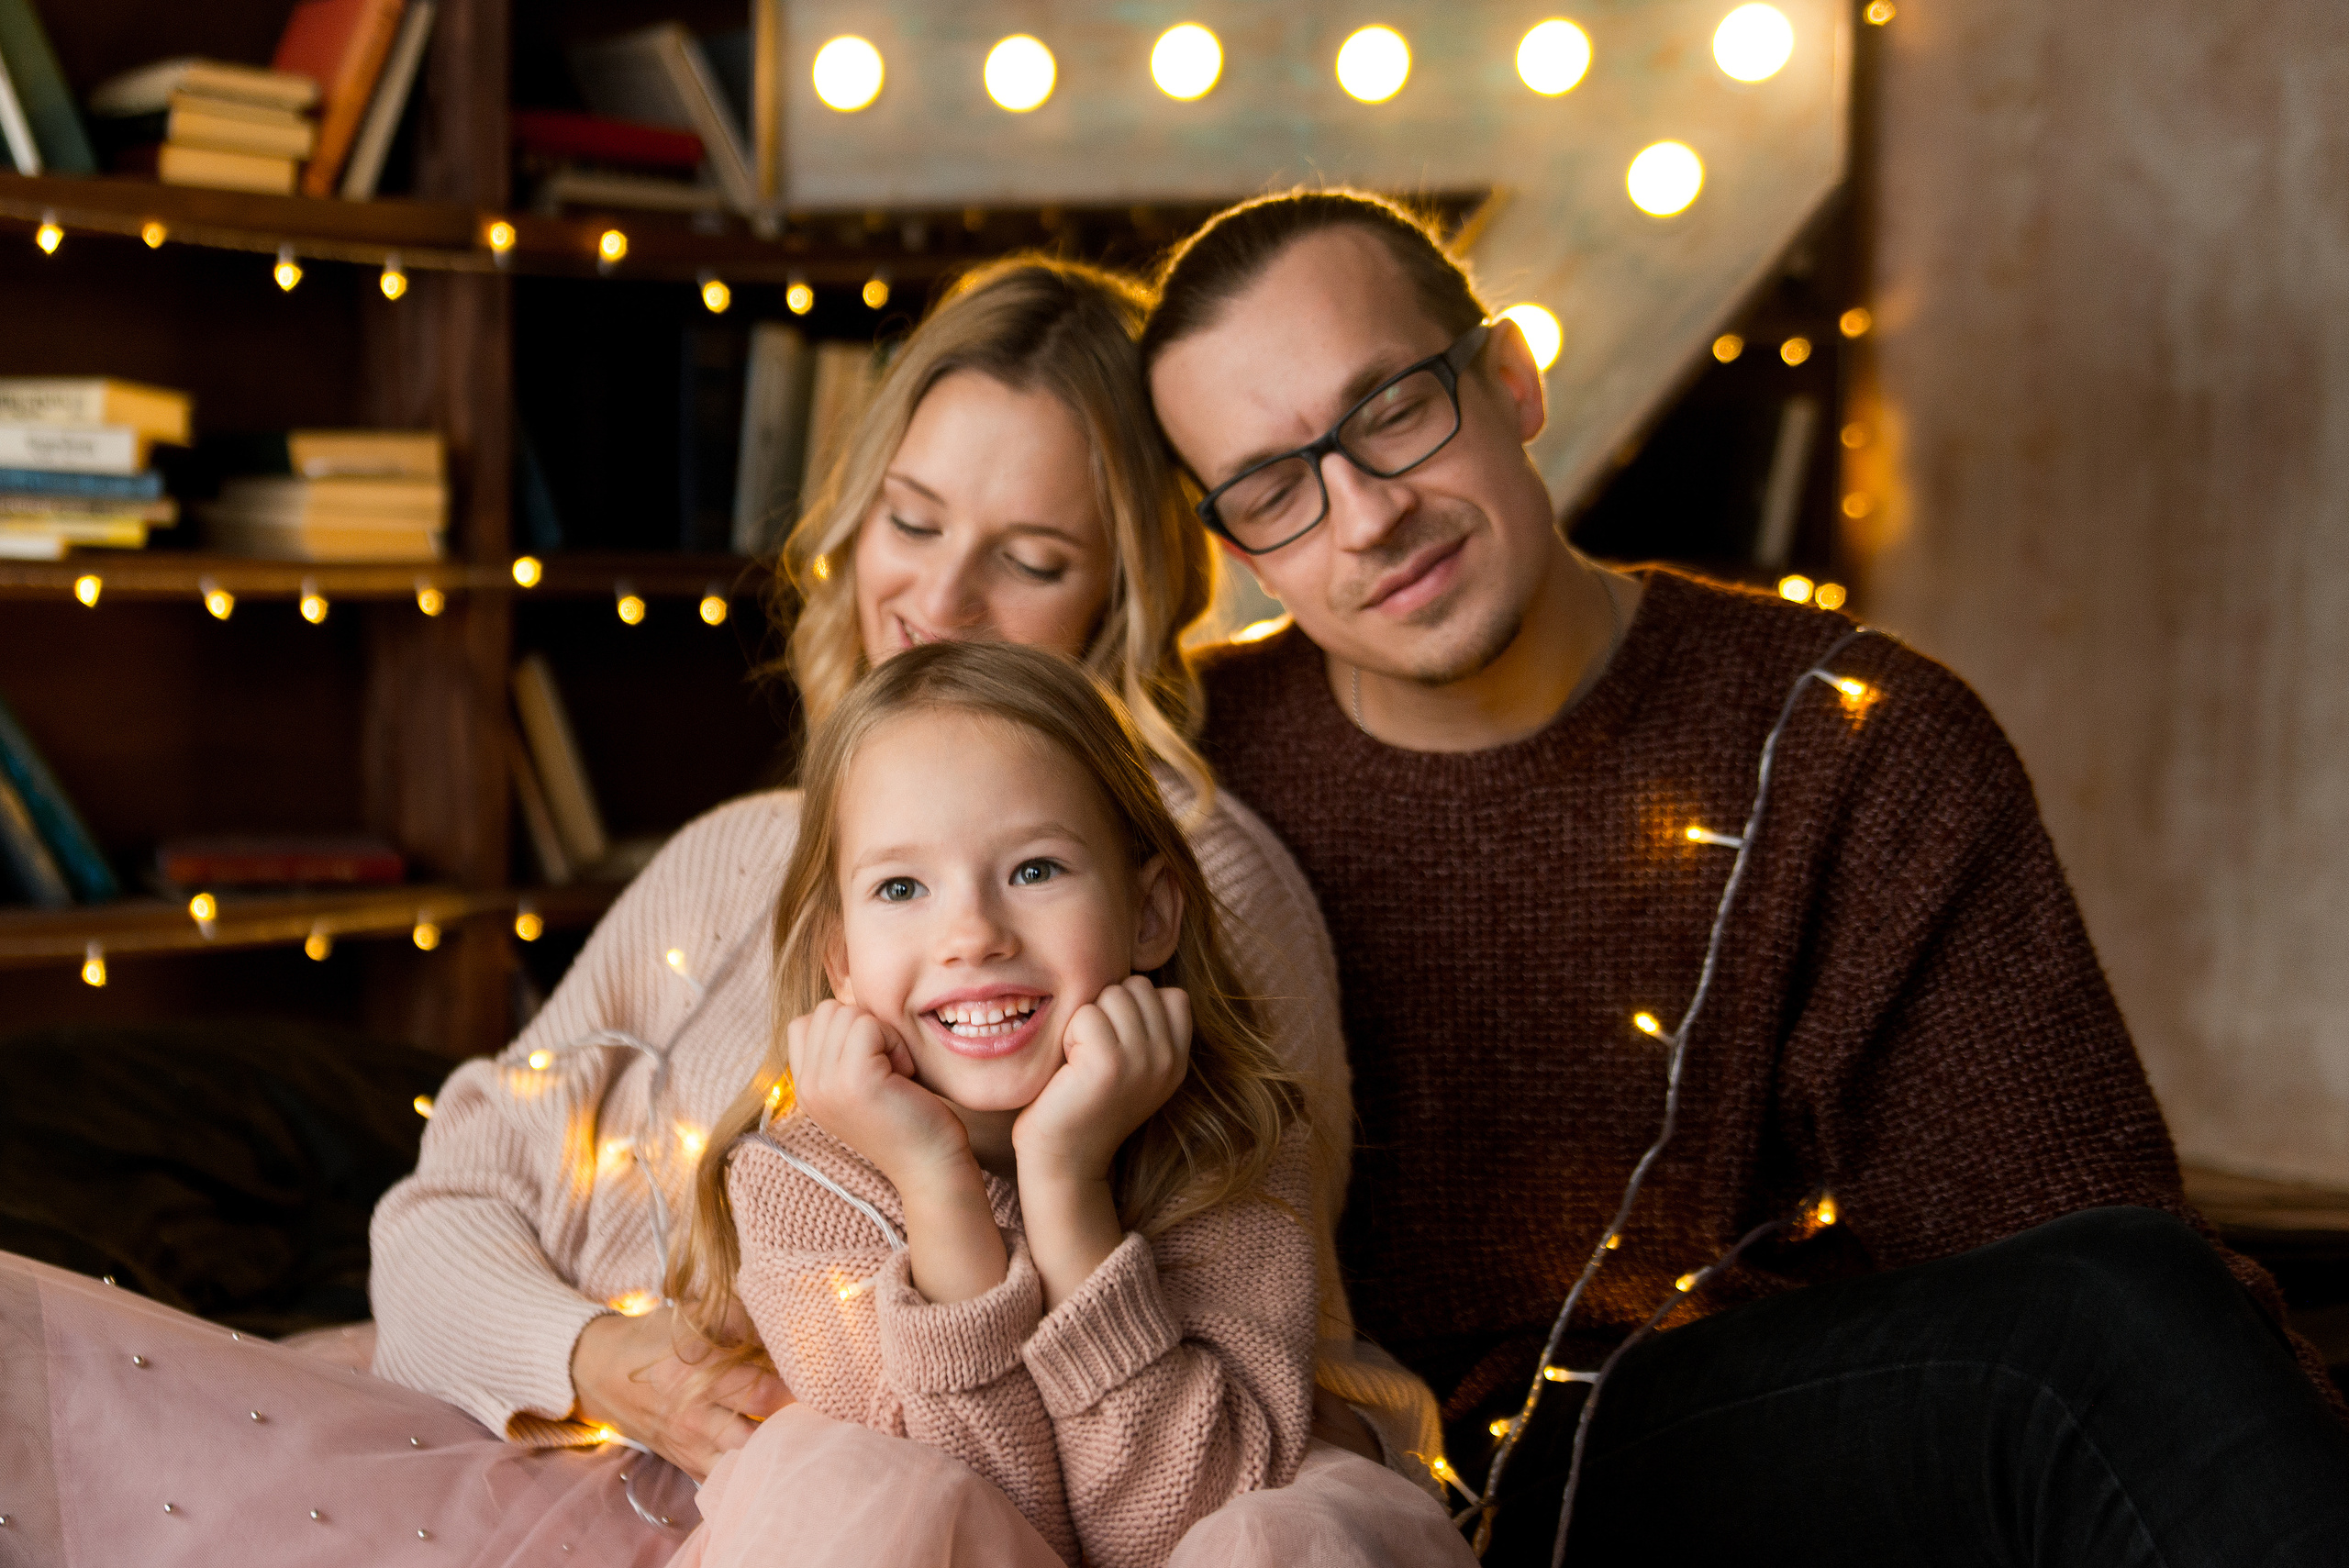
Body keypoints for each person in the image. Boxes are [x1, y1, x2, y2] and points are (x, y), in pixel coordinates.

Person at [0, 258, 1460, 1566]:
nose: (938, 595)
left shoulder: (1191, 877)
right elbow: (447, 1203)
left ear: (1126, 594)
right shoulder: (743, 851)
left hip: (840, 1492)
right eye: (913, 518)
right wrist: (589, 1354)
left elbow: (1226, 1354)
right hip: (547, 1440)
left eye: (1030, 559)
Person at [1142, 188, 2349, 1565]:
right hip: (1365, 1494)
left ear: (1512, 380)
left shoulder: (1847, 738)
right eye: (1276, 487)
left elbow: (2077, 1263)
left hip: (1756, 1441)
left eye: (1395, 411)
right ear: (1237, 551)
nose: (1364, 515)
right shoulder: (1178, 772)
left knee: (2115, 1310)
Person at [671, 640, 1318, 1568]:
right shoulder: (796, 1182)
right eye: (901, 886)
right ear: (841, 958)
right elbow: (951, 1523)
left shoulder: (1230, 1141)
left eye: (1035, 869)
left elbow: (1184, 1523)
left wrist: (1066, 1180)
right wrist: (935, 1182)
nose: (971, 934)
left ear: (1150, 913)